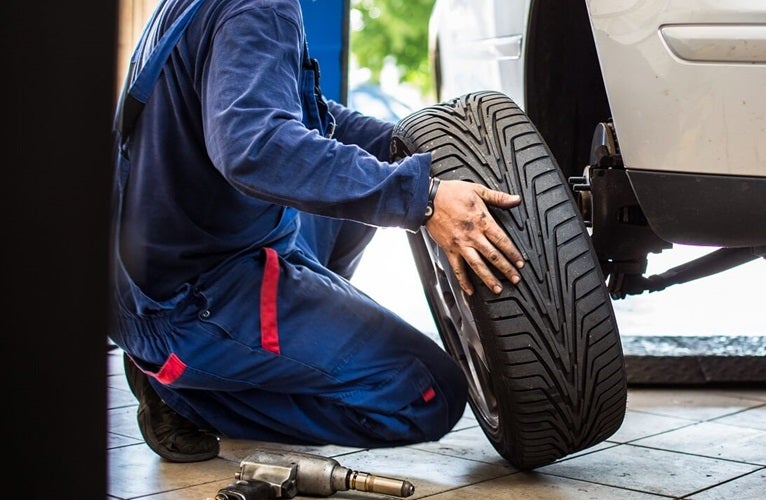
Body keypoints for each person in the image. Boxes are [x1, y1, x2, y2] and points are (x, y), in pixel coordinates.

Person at [110, 0, 525, 463]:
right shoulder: (261, 7)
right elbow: (255, 147)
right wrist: (422, 200)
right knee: (429, 394)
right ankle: (185, 392)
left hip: (152, 271)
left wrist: (402, 146)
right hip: (191, 300)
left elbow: (292, 109)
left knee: (347, 197)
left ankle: (284, 349)